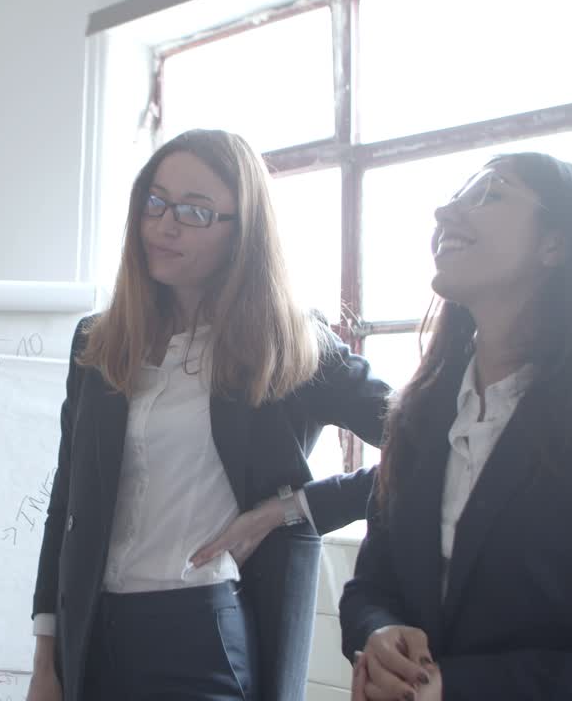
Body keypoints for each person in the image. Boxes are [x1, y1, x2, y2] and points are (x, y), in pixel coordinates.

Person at [27, 129, 390, 701]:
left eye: (195, 211)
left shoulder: (286, 342)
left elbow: (433, 446)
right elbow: (66, 500)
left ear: (243, 232)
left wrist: (291, 509)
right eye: (156, 202)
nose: (165, 225)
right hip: (91, 636)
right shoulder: (99, 341)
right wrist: (45, 662)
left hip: (202, 633)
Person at [339, 153, 572, 700]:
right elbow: (371, 585)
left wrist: (456, 687)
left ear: (555, 244)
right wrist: (378, 633)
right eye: (455, 196)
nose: (444, 212)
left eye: (491, 192)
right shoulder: (418, 414)